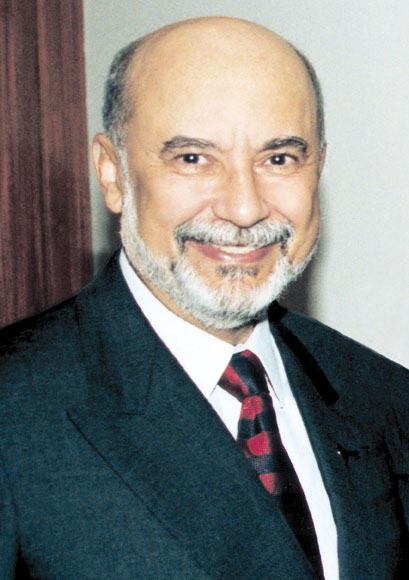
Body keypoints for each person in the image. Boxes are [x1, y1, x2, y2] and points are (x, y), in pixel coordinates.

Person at [0, 16, 408, 580]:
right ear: (113, 174)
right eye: (193, 158)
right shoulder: (16, 412)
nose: (245, 208)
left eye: (279, 159)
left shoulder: (383, 396)